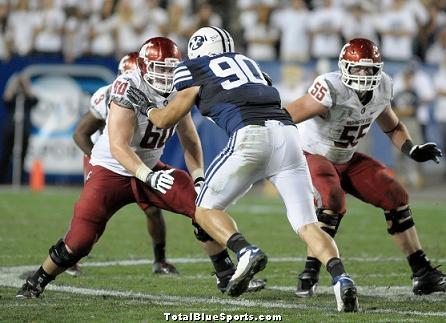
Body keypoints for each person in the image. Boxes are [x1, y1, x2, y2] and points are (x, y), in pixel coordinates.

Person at [128, 26, 359, 312]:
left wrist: (147, 108)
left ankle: (244, 250)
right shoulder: (251, 64)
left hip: (250, 135)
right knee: (307, 224)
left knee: (203, 211)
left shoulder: (194, 68)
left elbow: (164, 120)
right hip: (288, 135)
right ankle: (341, 278)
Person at [16, 36, 264, 299]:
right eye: (160, 69)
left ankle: (226, 276)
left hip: (150, 167)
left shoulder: (181, 85)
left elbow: (189, 138)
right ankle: (36, 281)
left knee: (202, 207)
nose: (167, 76)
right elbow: (119, 147)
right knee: (79, 241)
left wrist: (199, 177)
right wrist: (149, 176)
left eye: (171, 69)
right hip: (112, 171)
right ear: (144, 67)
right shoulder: (127, 86)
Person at [285, 38, 445, 297]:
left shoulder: (382, 87)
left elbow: (392, 126)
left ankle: (422, 272)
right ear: (344, 67)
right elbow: (287, 117)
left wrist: (411, 149)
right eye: (358, 68)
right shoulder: (330, 87)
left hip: (347, 157)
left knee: (395, 194)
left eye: (369, 69)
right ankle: (310, 272)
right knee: (332, 199)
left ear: (378, 69)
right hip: (313, 153)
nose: (364, 74)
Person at [72, 52, 177, 276]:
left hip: (136, 160)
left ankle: (160, 261)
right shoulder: (108, 95)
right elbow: (81, 133)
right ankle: (71, 256)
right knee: (94, 216)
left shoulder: (157, 95)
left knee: (153, 211)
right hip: (108, 162)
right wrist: (96, 162)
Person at [0, 72, 38, 183]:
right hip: (11, 129)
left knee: (22, 156)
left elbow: (35, 99)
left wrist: (26, 85)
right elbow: (6, 98)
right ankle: (2, 180)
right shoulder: (14, 97)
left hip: (24, 129)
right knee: (6, 155)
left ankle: (19, 181)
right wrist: (13, 83)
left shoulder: (28, 98)